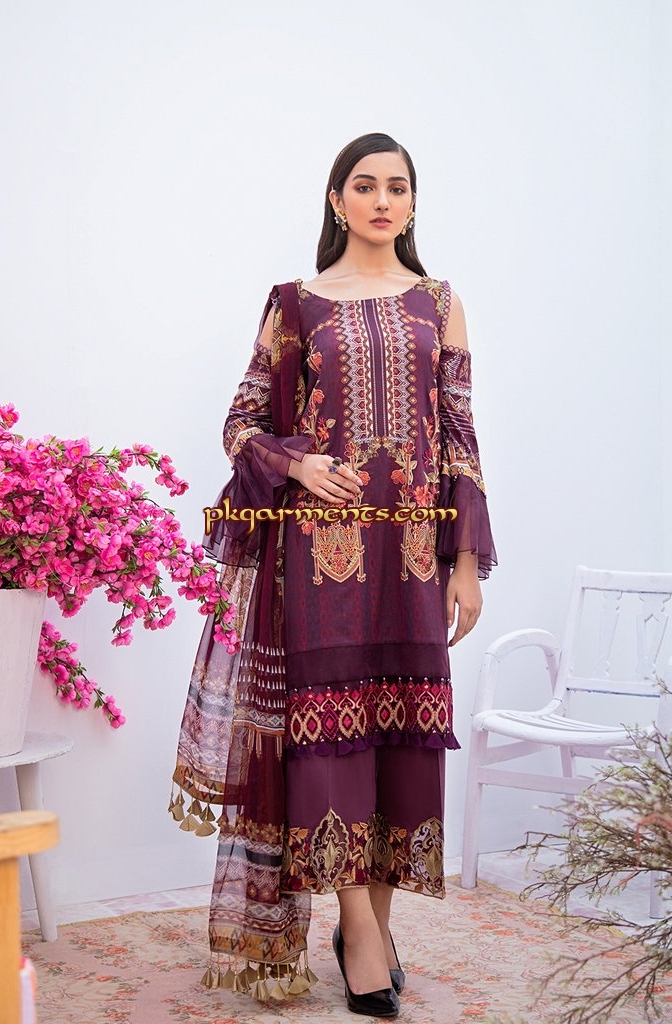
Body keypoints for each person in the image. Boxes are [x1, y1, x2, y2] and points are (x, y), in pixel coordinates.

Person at [171, 131, 497, 1018]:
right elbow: (240, 425)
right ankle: (356, 932)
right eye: (364, 185)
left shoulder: (440, 302)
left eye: (397, 187)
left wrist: (467, 562)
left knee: (403, 737)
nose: (382, 200)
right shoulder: (296, 303)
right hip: (320, 557)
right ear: (336, 200)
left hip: (416, 554)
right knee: (328, 740)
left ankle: (375, 932)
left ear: (413, 203)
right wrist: (299, 464)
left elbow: (460, 438)